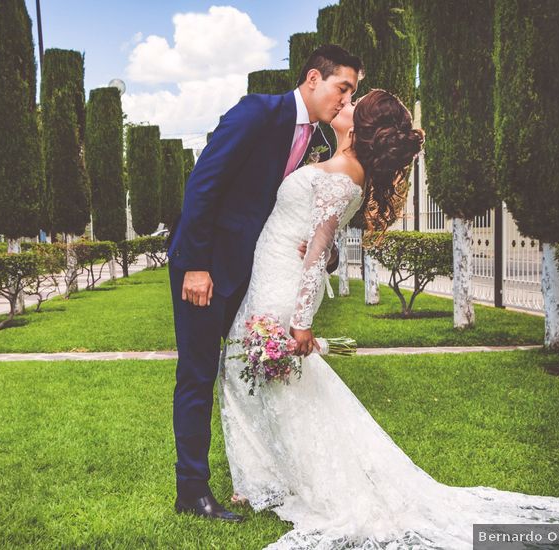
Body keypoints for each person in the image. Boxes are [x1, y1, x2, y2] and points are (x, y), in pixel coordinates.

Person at [218, 89, 559, 549]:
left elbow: (320, 246)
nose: (343, 104)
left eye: (351, 104)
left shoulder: (344, 175)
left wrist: (302, 321)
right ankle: (269, 478)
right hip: (274, 271)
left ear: (361, 128)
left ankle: (267, 483)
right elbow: (320, 240)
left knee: (254, 375)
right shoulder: (343, 169)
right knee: (261, 379)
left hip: (282, 285)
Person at [167, 45, 362, 522]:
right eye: (343, 88)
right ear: (314, 78)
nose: (344, 100)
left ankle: (262, 473)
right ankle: (192, 491)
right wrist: (195, 264)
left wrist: (328, 253)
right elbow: (203, 184)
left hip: (252, 275)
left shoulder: (317, 136)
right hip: (207, 270)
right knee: (197, 374)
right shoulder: (257, 112)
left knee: (242, 370)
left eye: (351, 93)